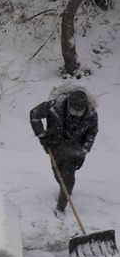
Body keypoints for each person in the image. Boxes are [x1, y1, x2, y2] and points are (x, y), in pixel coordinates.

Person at [30, 86, 98, 219]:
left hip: (74, 149)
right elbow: (34, 115)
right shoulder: (54, 107)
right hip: (55, 145)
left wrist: (83, 151)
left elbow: (92, 133)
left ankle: (61, 206)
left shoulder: (91, 114)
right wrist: (42, 135)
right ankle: (65, 190)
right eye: (73, 110)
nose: (75, 114)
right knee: (58, 174)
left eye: (79, 111)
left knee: (68, 178)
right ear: (68, 103)